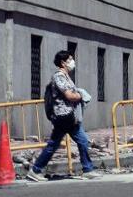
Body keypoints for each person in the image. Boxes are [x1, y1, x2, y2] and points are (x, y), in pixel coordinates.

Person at [27, 50, 101, 181]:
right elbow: (69, 95)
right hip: (63, 116)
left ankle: (87, 169)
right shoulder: (59, 76)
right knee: (56, 144)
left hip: (69, 116)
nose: (73, 62)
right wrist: (81, 95)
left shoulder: (66, 77)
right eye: (70, 59)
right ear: (63, 62)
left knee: (76, 141)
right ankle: (35, 169)